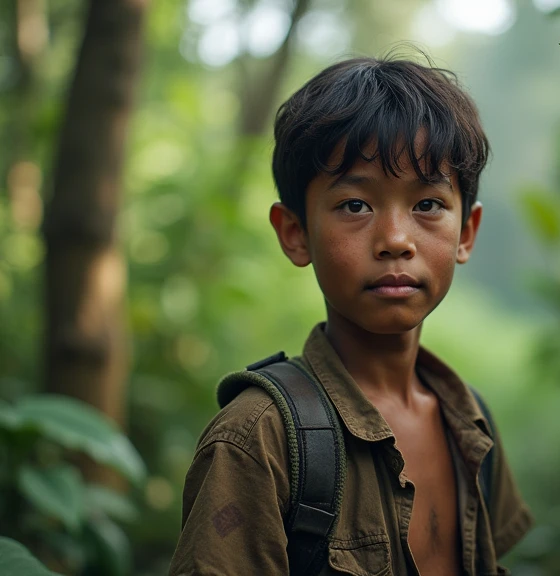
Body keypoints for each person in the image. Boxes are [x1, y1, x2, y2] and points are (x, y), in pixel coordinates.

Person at [169, 53, 532, 576]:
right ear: (295, 233)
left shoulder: (471, 425)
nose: (395, 240)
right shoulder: (258, 441)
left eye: (428, 204)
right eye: (355, 206)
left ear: (466, 233)